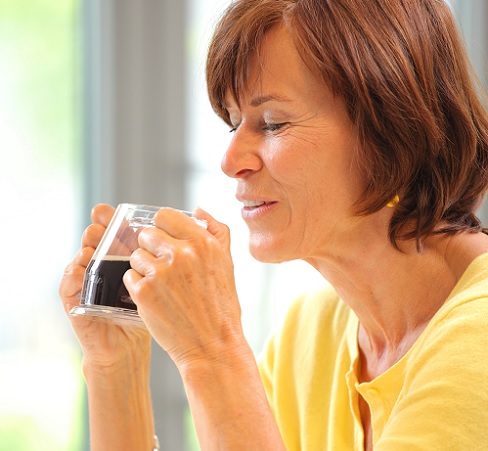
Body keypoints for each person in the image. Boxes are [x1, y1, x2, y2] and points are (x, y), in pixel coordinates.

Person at [60, 0, 488, 449]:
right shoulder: (312, 331)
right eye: (232, 124)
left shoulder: (477, 343)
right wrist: (117, 372)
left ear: (392, 128)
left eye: (271, 123)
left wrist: (213, 351)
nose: (230, 162)